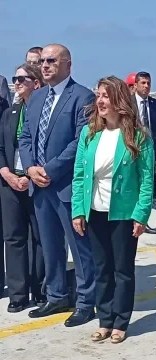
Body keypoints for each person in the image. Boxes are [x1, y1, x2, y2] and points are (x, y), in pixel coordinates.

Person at [72, 76, 154, 344]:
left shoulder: (138, 136)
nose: (100, 101)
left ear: (120, 100)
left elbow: (146, 179)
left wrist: (141, 214)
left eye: (105, 96)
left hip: (123, 213)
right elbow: (79, 175)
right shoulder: (89, 133)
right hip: (95, 210)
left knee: (123, 270)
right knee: (101, 268)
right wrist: (78, 210)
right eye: (98, 95)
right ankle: (105, 319)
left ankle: (121, 321)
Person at [18, 43, 96, 327]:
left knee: (80, 247)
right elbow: (26, 137)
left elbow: (81, 141)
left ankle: (86, 302)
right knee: (50, 246)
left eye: (51, 61)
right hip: (39, 186)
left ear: (68, 65)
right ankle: (56, 295)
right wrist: (30, 168)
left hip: (66, 186)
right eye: (43, 61)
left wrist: (49, 170)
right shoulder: (37, 97)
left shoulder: (83, 97)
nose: (45, 66)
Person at [0, 64, 46, 312]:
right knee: (14, 237)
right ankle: (17, 294)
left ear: (36, 83)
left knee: (40, 238)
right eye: (15, 79)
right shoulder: (10, 113)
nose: (16, 83)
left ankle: (39, 289)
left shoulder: (42, 112)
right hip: (9, 181)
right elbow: (0, 147)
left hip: (35, 182)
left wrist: (29, 175)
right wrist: (6, 173)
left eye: (22, 79)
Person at [132, 71, 156, 215]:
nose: (146, 86)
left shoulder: (155, 105)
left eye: (148, 83)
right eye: (143, 83)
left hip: (151, 148)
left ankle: (152, 200)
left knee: (150, 174)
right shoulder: (128, 103)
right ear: (135, 85)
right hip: (132, 147)